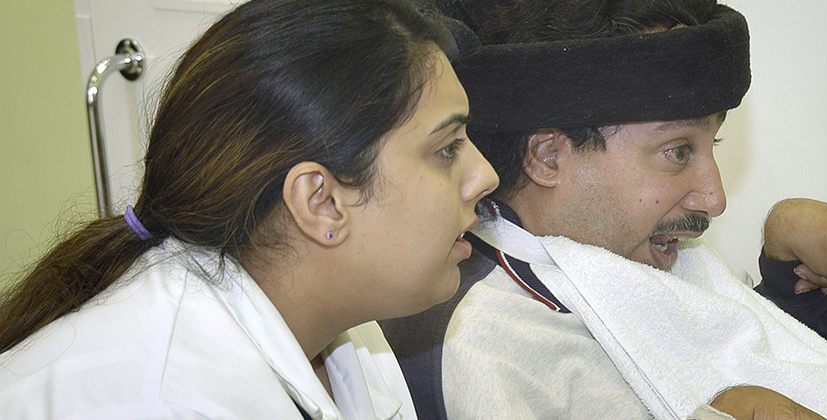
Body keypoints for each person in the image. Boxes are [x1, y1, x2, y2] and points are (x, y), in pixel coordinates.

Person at [379, 1, 827, 419]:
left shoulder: (635, 259)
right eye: (678, 152)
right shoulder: (482, 346)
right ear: (548, 155)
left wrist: (795, 297)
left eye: (715, 145)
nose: (714, 199)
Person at [0, 0, 499, 418]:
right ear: (321, 203)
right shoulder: (162, 400)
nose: (485, 176)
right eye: (448, 149)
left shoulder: (339, 327)